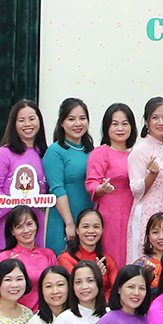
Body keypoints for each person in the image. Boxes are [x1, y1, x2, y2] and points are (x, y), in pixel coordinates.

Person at [0, 99, 50, 251]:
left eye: (32, 119)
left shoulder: (45, 153)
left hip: (37, 221)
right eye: (21, 120)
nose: (27, 124)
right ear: (14, 124)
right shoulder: (4, 153)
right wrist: (16, 212)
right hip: (11, 223)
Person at [83, 102, 137, 265]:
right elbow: (91, 182)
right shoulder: (101, 152)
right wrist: (102, 188)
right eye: (115, 124)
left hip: (133, 212)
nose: (120, 128)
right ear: (107, 127)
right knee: (113, 256)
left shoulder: (136, 154)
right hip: (110, 215)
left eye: (125, 124)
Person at [41, 99, 95, 256]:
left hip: (89, 222)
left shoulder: (93, 151)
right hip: (63, 221)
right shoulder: (55, 151)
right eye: (71, 119)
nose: (78, 123)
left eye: (82, 118)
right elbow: (57, 189)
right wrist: (70, 223)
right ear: (62, 123)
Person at [126, 97, 163, 262]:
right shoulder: (140, 150)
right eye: (155, 118)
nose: (161, 122)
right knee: (145, 265)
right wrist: (152, 175)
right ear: (146, 121)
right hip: (147, 217)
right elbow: (136, 190)